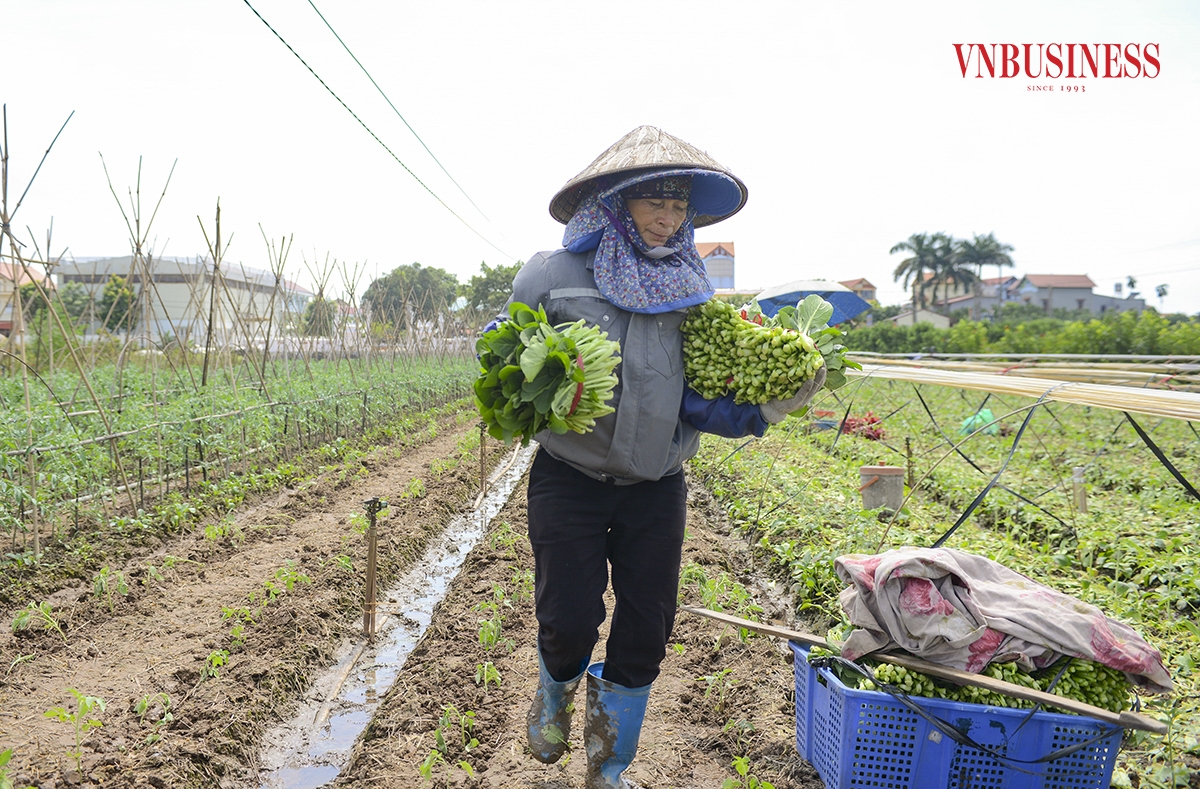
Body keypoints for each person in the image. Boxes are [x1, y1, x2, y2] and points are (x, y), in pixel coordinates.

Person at [503, 126, 824, 788]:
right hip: (570, 478)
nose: (668, 218)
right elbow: (504, 353)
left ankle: (607, 766)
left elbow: (699, 401)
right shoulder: (551, 275)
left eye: (679, 207)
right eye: (655, 202)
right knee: (568, 620)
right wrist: (537, 383)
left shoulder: (691, 288)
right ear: (616, 202)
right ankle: (554, 695)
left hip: (656, 485)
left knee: (647, 628)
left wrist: (768, 408)